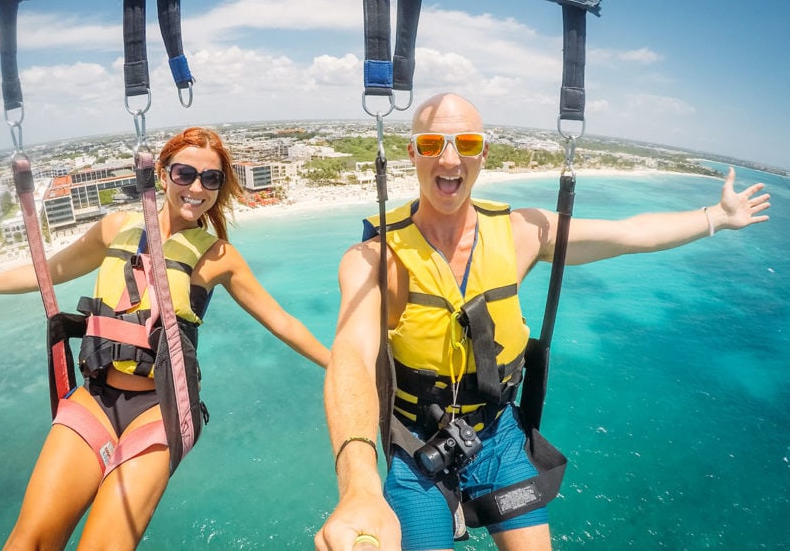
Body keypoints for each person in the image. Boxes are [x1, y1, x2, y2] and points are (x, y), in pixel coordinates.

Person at [315, 93, 770, 551]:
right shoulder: (374, 259)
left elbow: (628, 234)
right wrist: (359, 485)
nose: (449, 158)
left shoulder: (520, 233)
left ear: (483, 154)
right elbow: (351, 356)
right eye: (432, 143)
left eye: (466, 143)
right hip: (417, 444)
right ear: (412, 152)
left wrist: (717, 217)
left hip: (495, 434)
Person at [0, 127, 330, 550]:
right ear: (162, 174)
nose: (197, 187)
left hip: (160, 412)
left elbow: (282, 321)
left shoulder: (217, 257)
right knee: (28, 541)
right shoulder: (117, 228)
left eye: (211, 179)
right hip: (96, 398)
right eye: (185, 174)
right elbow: (48, 271)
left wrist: (341, 363)